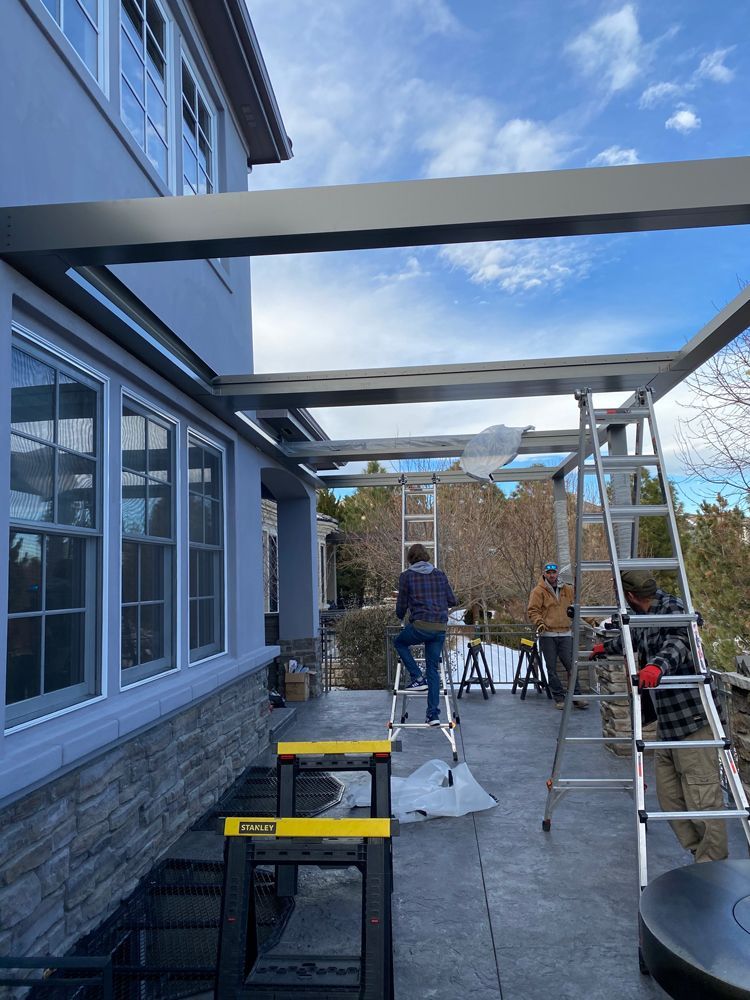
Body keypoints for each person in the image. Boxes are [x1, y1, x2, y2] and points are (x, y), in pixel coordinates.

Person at [590, 569, 727, 863]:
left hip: (694, 721)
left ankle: (713, 867)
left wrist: (657, 667)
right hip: (670, 722)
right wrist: (606, 647)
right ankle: (697, 854)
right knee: (669, 797)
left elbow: (679, 640)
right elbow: (636, 639)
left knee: (703, 800)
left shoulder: (672, 608)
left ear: (629, 596)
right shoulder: (642, 613)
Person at [394, 543, 457, 726]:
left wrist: (400, 616)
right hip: (439, 628)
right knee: (433, 670)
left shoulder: (407, 577)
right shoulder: (439, 574)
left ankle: (416, 677)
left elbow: (401, 605)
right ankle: (433, 715)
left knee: (399, 642)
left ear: (410, 559)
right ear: (426, 556)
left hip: (421, 625)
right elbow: (452, 600)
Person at [527, 561, 588, 710]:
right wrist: (539, 623)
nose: (552, 575)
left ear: (557, 573)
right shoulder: (538, 591)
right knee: (551, 668)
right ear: (544, 574)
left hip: (566, 633)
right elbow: (533, 610)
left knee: (571, 666)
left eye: (554, 572)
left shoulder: (567, 589)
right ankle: (559, 698)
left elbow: (578, 608)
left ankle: (576, 696)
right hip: (548, 634)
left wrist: (594, 621)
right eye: (549, 573)